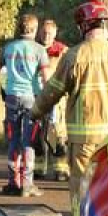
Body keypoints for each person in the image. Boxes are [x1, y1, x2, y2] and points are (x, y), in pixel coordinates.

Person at [34, 0, 108, 216]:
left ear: (83, 26)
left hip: (84, 138)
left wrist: (35, 111)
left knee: (82, 188)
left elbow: (52, 91)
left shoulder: (74, 56)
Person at [0, 13, 48, 196]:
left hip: (11, 98)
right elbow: (46, 78)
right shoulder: (40, 50)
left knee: (13, 140)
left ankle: (12, 182)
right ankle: (27, 184)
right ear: (34, 29)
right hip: (31, 99)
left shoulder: (8, 48)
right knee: (28, 141)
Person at [35, 18, 68, 182]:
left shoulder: (62, 51)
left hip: (57, 99)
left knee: (58, 134)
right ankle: (39, 169)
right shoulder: (34, 49)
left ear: (55, 33)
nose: (46, 35)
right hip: (38, 96)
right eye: (44, 32)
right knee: (38, 135)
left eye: (49, 33)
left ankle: (61, 170)